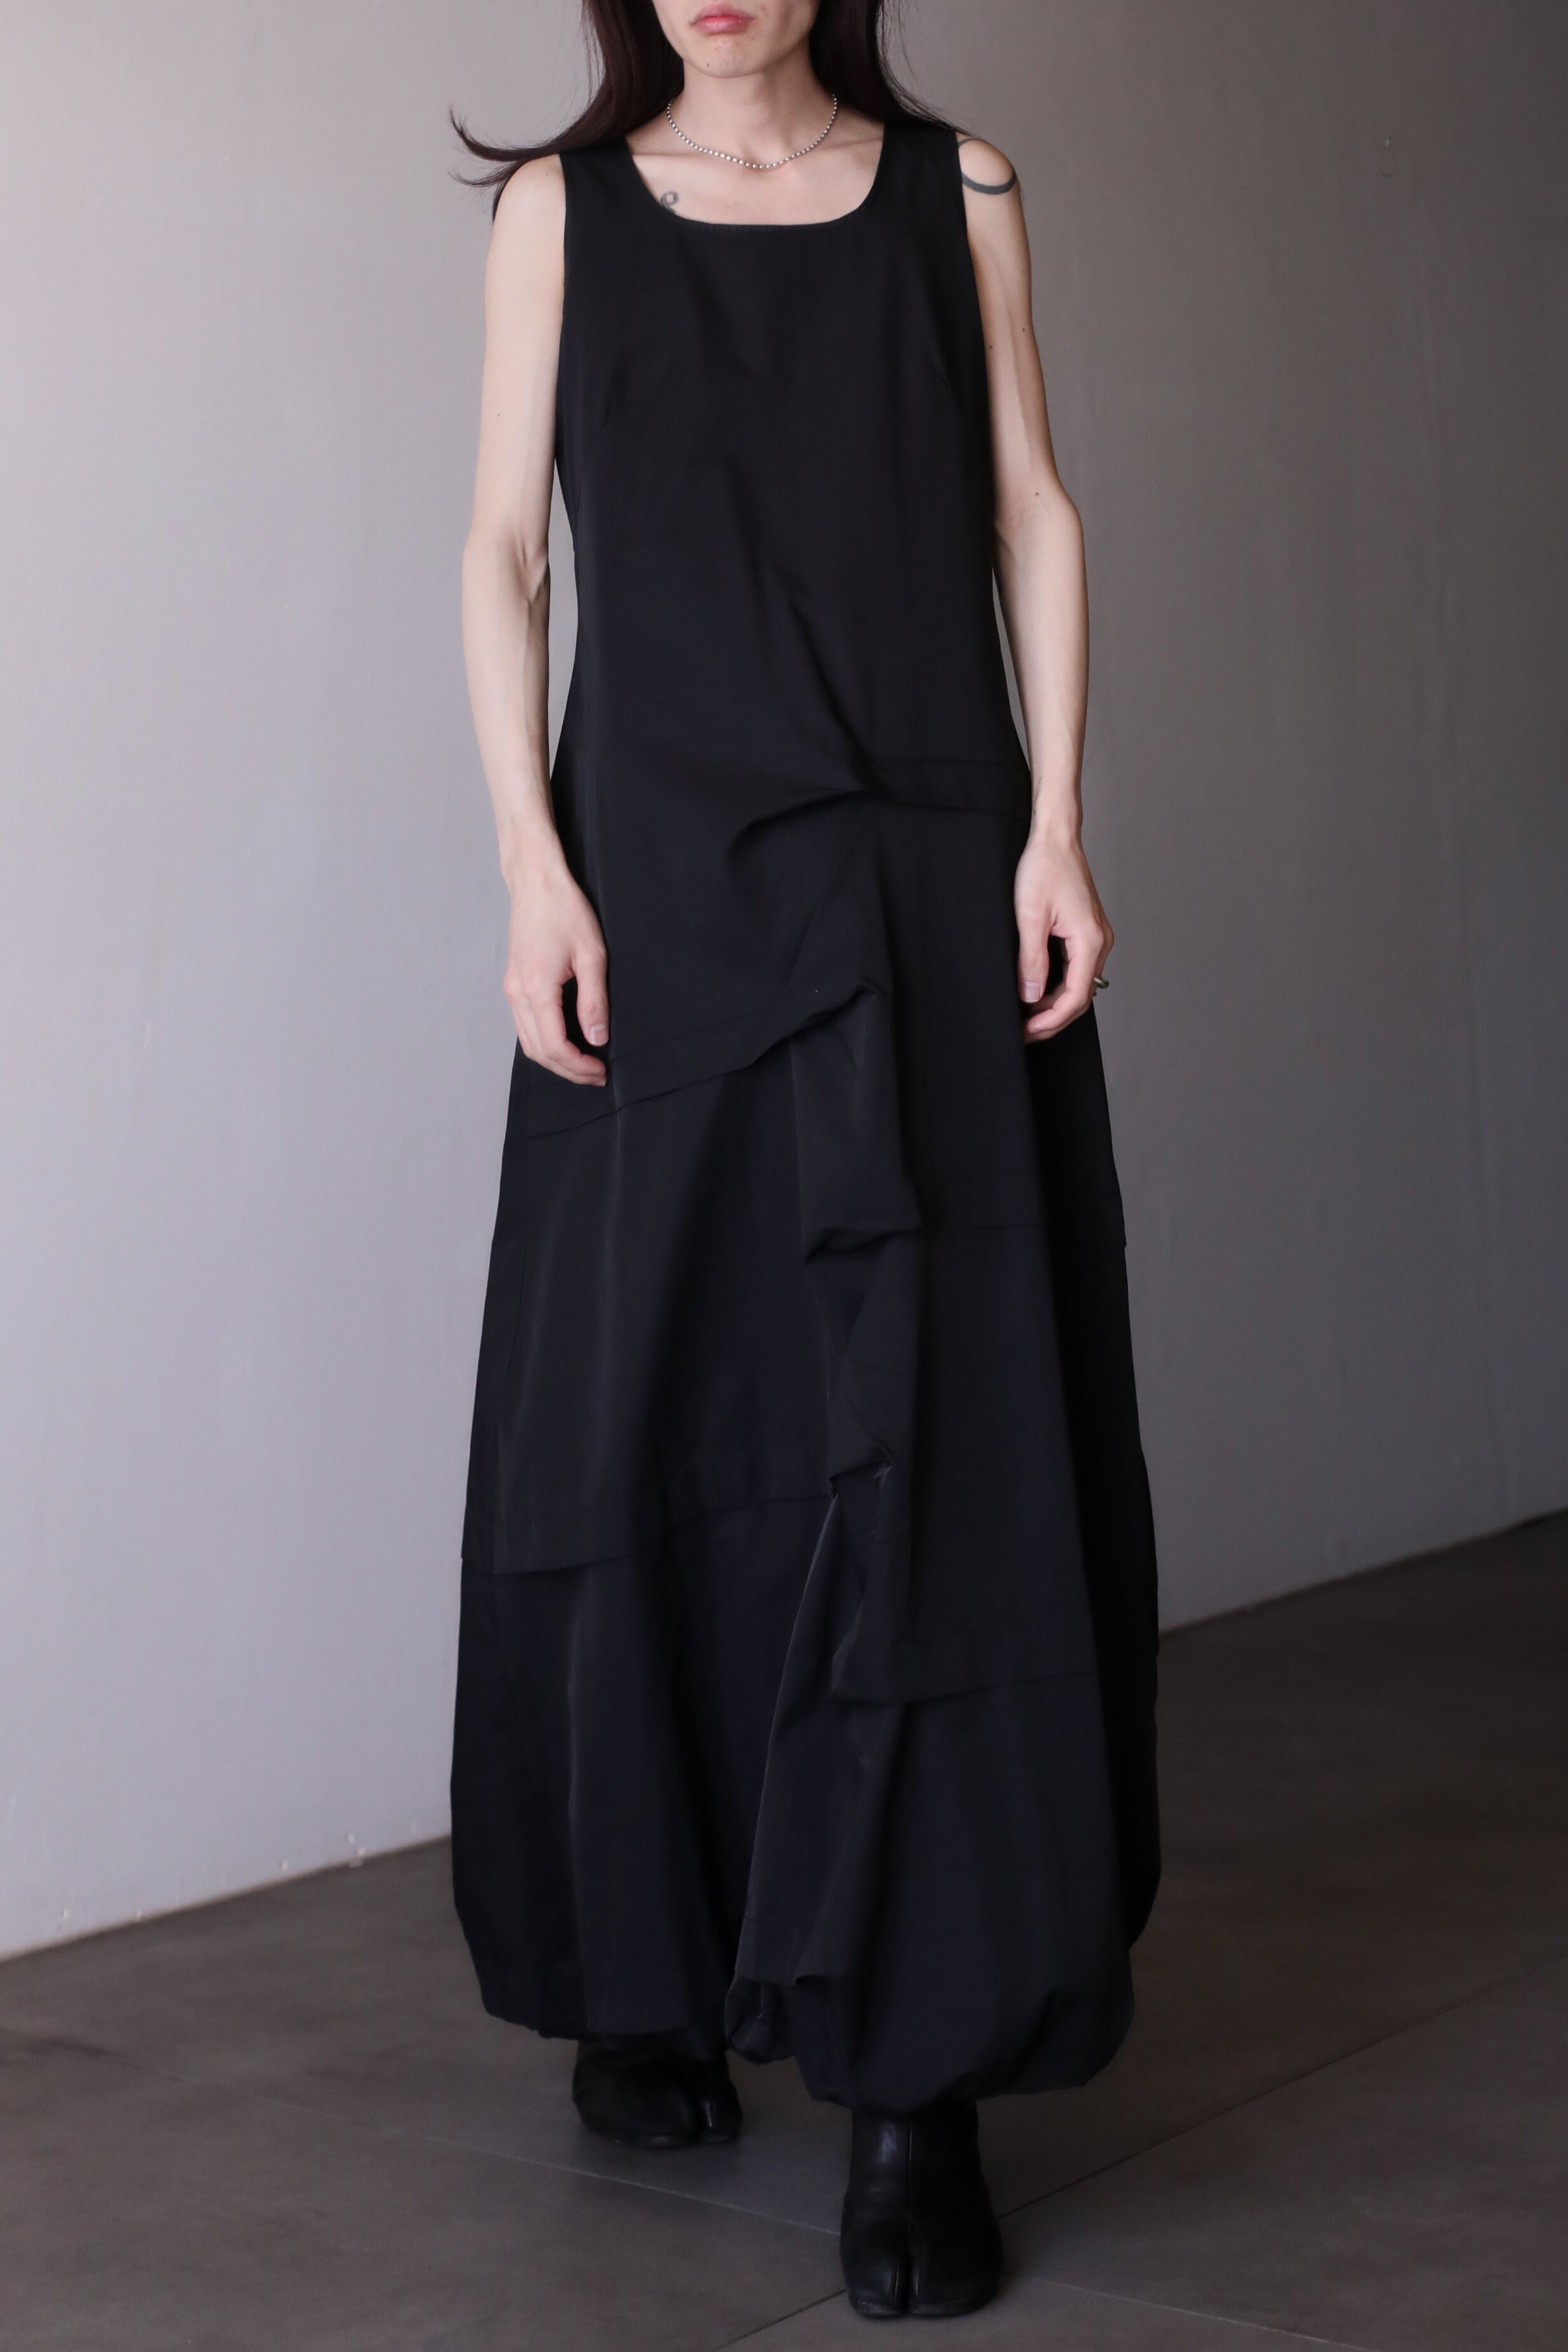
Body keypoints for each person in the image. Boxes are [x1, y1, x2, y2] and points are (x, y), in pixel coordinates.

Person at [450, 0, 1160, 2321]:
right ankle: (644, 1962)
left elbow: (1031, 509)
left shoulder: (961, 195)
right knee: (663, 1425)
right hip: (658, 889)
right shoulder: (560, 214)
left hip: (925, 877)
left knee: (928, 1449)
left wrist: (1058, 824)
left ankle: (912, 2084)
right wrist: (534, 870)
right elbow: (501, 549)